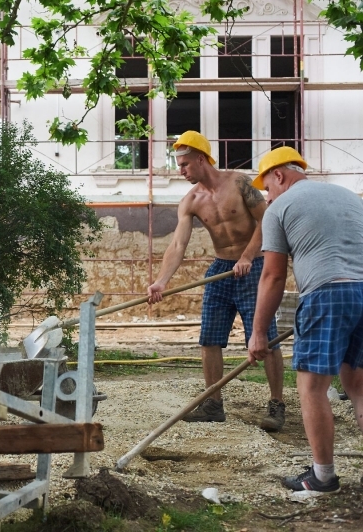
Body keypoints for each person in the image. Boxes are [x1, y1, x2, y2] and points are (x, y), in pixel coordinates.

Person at [147, 131, 285, 430]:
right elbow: (178, 245)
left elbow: (266, 220)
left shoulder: (240, 183)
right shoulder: (191, 200)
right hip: (221, 270)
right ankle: (213, 403)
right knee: (209, 339)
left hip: (254, 268)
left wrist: (248, 256)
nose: (180, 171)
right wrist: (161, 282)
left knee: (267, 339)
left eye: (184, 164)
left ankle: (276, 404)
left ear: (201, 158)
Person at [248, 146, 363, 492]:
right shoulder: (348, 196)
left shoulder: (279, 207)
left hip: (327, 295)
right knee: (358, 387)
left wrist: (257, 333)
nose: (267, 195)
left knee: (312, 388)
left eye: (267, 187)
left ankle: (322, 477)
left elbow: (272, 276)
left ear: (279, 175)